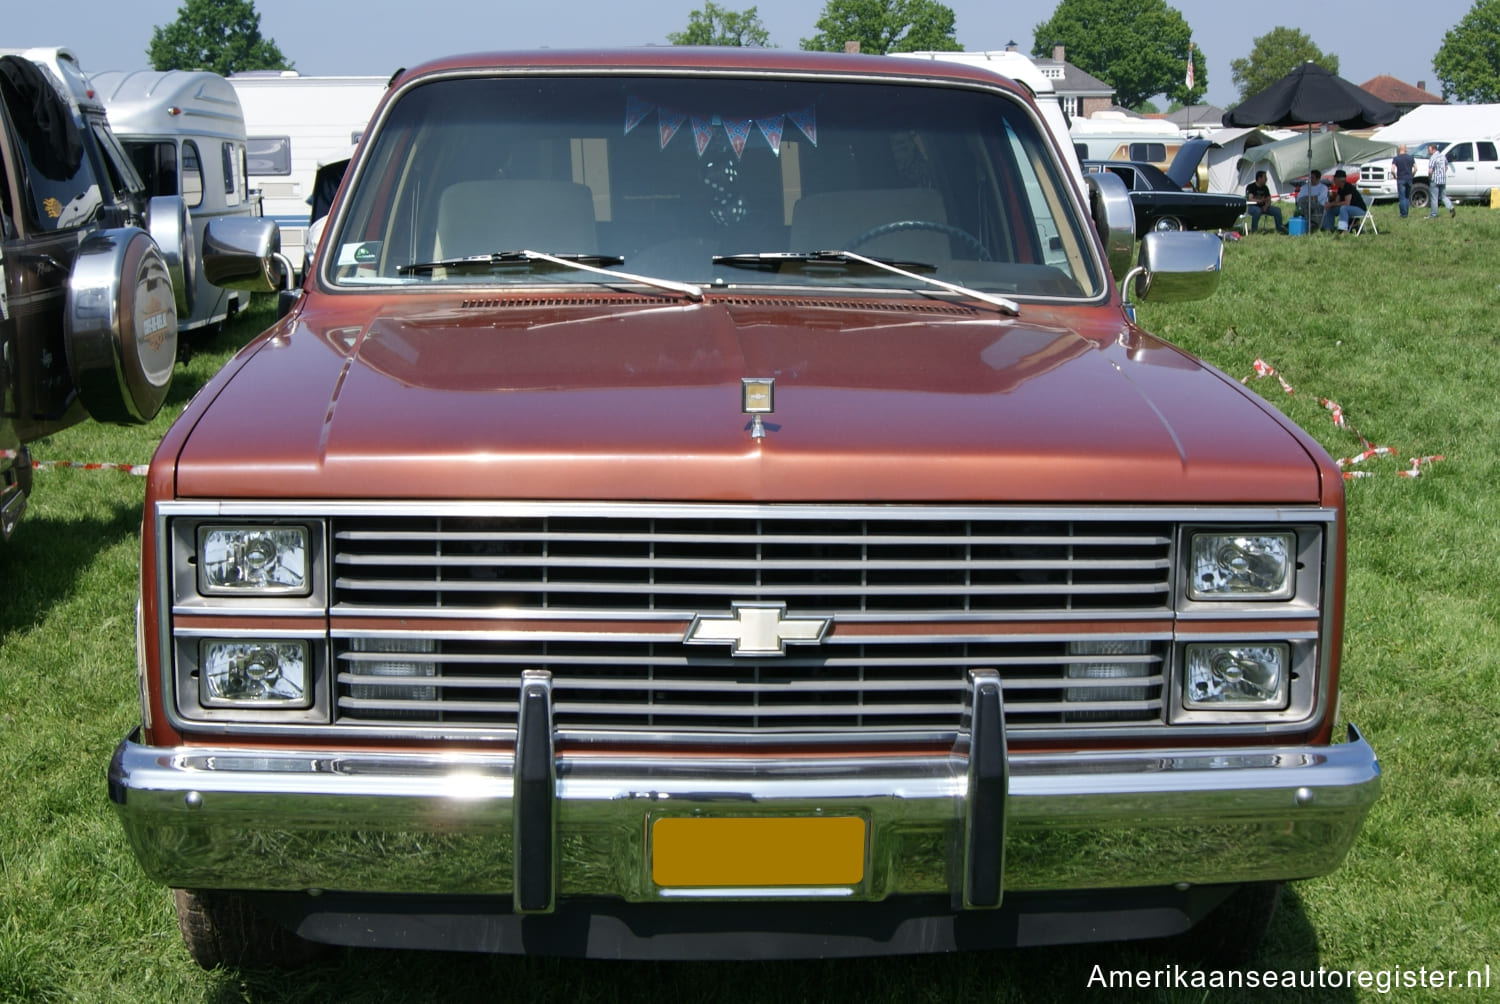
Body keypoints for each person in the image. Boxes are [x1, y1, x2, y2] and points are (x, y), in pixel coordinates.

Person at [1324, 169, 1367, 234]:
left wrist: (1332, 204)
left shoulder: (1348, 187)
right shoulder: (1340, 188)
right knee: (1331, 209)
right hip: (1349, 208)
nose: (1334, 181)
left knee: (1344, 208)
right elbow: (1336, 202)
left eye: (1335, 179)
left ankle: (1343, 230)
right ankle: (1329, 229)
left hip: (1360, 210)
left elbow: (1347, 203)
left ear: (1339, 180)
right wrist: (1330, 204)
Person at [1426, 142, 1455, 218]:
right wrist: (1442, 173)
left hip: (1435, 180)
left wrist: (1429, 177)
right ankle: (1451, 207)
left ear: (1433, 149)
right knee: (1443, 196)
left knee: (1434, 198)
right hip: (1442, 180)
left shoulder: (1433, 158)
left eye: (1429, 150)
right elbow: (1446, 167)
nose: (1428, 151)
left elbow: (1430, 171)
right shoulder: (1443, 156)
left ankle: (1433, 214)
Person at [1391, 144, 1416, 218]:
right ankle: (1406, 213)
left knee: (1402, 197)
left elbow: (1392, 170)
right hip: (1409, 178)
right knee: (1407, 197)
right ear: (1405, 149)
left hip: (1401, 179)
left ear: (1399, 149)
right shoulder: (1411, 158)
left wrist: (1395, 176)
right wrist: (1412, 175)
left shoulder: (1396, 158)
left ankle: (1403, 214)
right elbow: (1416, 168)